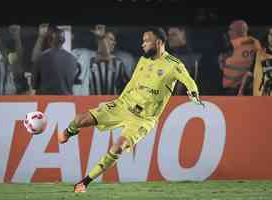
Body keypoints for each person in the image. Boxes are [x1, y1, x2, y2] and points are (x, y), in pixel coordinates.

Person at [57, 27, 203, 193]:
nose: (142, 44)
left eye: (146, 41)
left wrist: (194, 95)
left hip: (143, 119)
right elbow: (132, 83)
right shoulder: (143, 60)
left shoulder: (173, 64)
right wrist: (119, 102)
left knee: (118, 147)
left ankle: (84, 182)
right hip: (123, 106)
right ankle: (68, 132)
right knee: (80, 120)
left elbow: (189, 81)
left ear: (159, 42)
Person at [218, 20, 262, 95]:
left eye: (230, 30)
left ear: (238, 31)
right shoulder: (255, 43)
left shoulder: (232, 46)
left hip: (237, 90)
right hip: (246, 89)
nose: (228, 33)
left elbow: (222, 66)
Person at [32, 25, 77, 95]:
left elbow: (34, 84)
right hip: (67, 101)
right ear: (64, 41)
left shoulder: (41, 57)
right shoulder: (73, 59)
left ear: (49, 40)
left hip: (45, 101)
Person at [167, 26, 202, 95]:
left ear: (183, 34)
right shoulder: (168, 57)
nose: (169, 38)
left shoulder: (193, 58)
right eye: (168, 35)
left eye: (174, 35)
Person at [252, 27, 272, 96]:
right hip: (261, 97)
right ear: (268, 36)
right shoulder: (259, 54)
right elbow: (251, 73)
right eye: (271, 34)